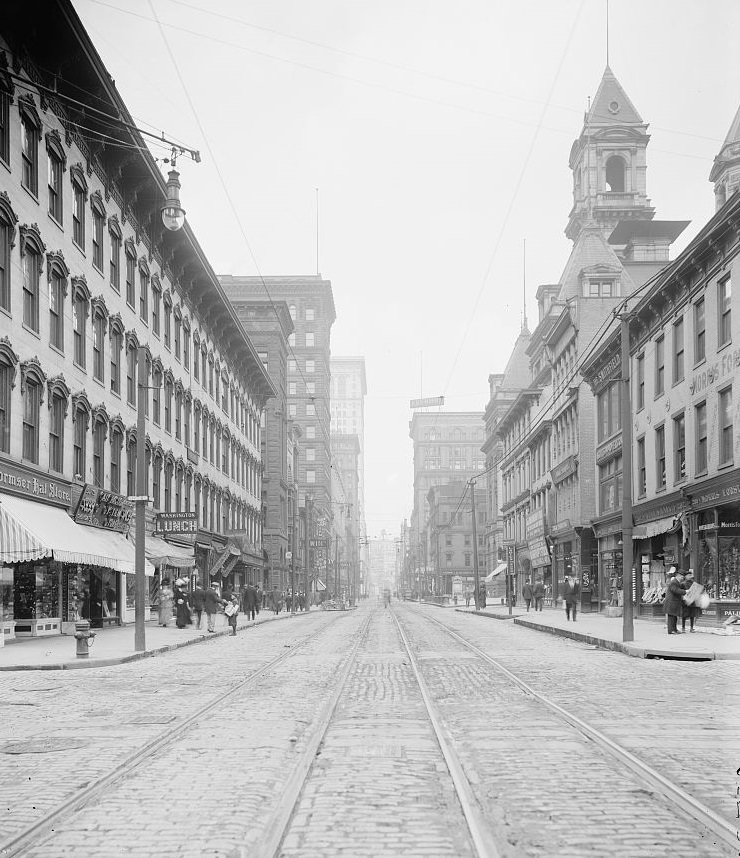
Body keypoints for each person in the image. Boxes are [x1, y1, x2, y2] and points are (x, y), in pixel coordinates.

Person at [664, 568, 687, 635]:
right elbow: (675, 590)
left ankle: (674, 629)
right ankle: (671, 630)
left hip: (674, 602)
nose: (683, 578)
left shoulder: (677, 582)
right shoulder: (674, 582)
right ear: (679, 575)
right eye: (682, 576)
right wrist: (685, 591)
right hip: (671, 602)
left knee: (674, 616)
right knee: (671, 617)